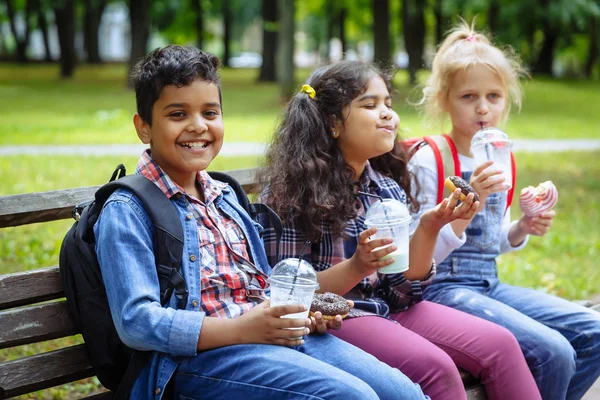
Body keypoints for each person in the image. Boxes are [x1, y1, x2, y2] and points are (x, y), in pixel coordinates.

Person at [94, 45, 429, 400]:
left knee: (403, 393)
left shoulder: (225, 197)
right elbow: (137, 322)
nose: (197, 126)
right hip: (198, 363)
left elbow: (260, 286)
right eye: (178, 114)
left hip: (269, 340)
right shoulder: (128, 208)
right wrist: (241, 329)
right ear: (143, 127)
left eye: (210, 112)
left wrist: (300, 313)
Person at [259, 59, 541, 400]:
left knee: (501, 345)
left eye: (388, 104)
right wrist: (357, 268)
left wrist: (429, 227)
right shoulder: (294, 193)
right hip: (341, 320)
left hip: (389, 308)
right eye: (370, 105)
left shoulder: (385, 189)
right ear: (333, 123)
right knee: (435, 367)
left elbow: (403, 290)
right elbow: (289, 292)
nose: (387, 114)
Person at [410, 21, 600, 400]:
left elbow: (490, 242)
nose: (483, 108)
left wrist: (523, 228)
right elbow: (417, 255)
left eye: (494, 96)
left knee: (594, 334)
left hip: (487, 284)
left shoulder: (500, 156)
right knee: (554, 351)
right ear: (444, 99)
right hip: (438, 292)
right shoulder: (431, 159)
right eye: (469, 97)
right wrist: (465, 206)